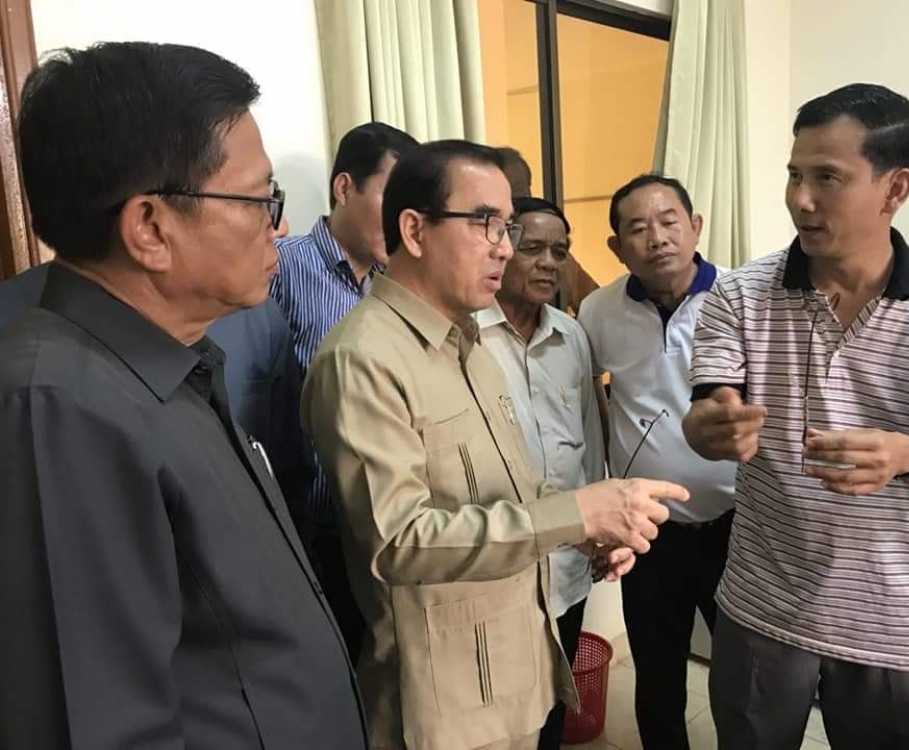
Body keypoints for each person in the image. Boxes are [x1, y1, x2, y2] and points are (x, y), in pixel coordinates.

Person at [0, 42, 366, 749]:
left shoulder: (179, 364)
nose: (280, 226)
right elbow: (97, 721)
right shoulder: (58, 406)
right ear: (150, 228)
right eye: (260, 200)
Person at [301, 139, 689, 749]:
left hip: (518, 664)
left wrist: (583, 529)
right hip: (447, 701)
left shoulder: (469, 344)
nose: (505, 247)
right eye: (485, 223)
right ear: (415, 230)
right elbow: (399, 541)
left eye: (506, 227)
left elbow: (502, 488)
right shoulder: (363, 359)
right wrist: (574, 512)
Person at [682, 83, 909, 750]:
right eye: (794, 175)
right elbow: (705, 415)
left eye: (827, 178)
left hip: (893, 619)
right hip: (763, 602)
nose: (801, 199)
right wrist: (711, 428)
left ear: (895, 188)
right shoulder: (738, 295)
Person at [576, 175, 737, 749]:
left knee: (744, 680)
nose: (658, 238)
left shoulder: (740, 300)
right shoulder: (598, 311)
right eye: (638, 228)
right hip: (648, 530)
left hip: (738, 529)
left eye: (670, 222)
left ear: (696, 226)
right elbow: (588, 400)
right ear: (617, 246)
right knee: (658, 673)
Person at [0, 263, 313, 524]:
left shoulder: (257, 314)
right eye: (254, 208)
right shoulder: (12, 320)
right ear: (146, 224)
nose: (279, 229)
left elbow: (289, 478)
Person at [269, 121, 418, 662]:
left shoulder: (395, 284)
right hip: (312, 526)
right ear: (344, 188)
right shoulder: (281, 269)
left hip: (387, 526)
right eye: (389, 197)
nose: (402, 220)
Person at [476, 196, 605, 750]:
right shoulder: (466, 337)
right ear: (501, 251)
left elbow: (588, 437)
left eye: (560, 250)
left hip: (568, 563)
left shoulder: (571, 338)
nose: (550, 263)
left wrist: (595, 528)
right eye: (533, 249)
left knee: (557, 699)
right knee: (503, 715)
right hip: (500, 565)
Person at [496, 145, 598, 316]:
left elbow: (598, 311)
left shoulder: (556, 257)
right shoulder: (475, 257)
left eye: (519, 192)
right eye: (531, 248)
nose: (547, 263)